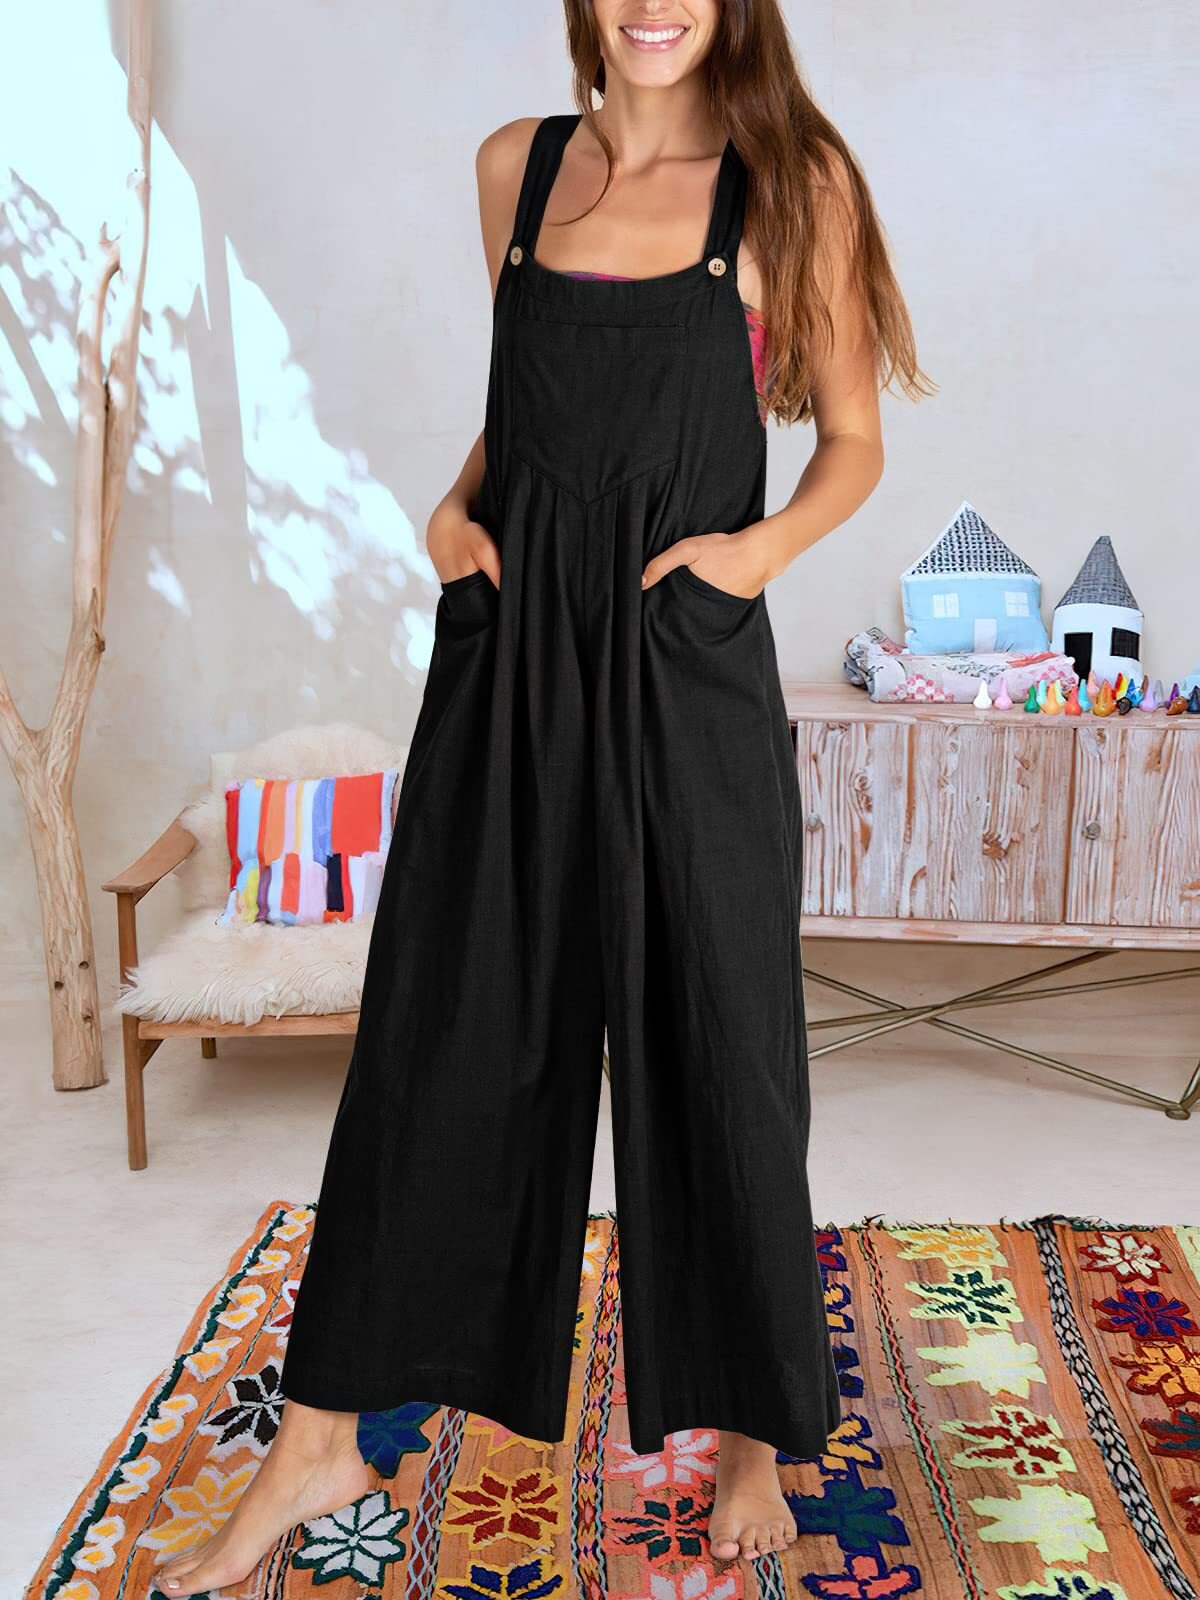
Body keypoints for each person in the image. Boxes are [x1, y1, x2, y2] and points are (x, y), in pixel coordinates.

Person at [157, 1, 930, 1591]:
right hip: (509, 663)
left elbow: (852, 442)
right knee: (441, 1029)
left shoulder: (795, 182)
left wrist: (752, 559)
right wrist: (451, 512)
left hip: (680, 661)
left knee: (721, 1051)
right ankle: (321, 1435)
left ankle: (752, 1432)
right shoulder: (515, 167)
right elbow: (523, 409)